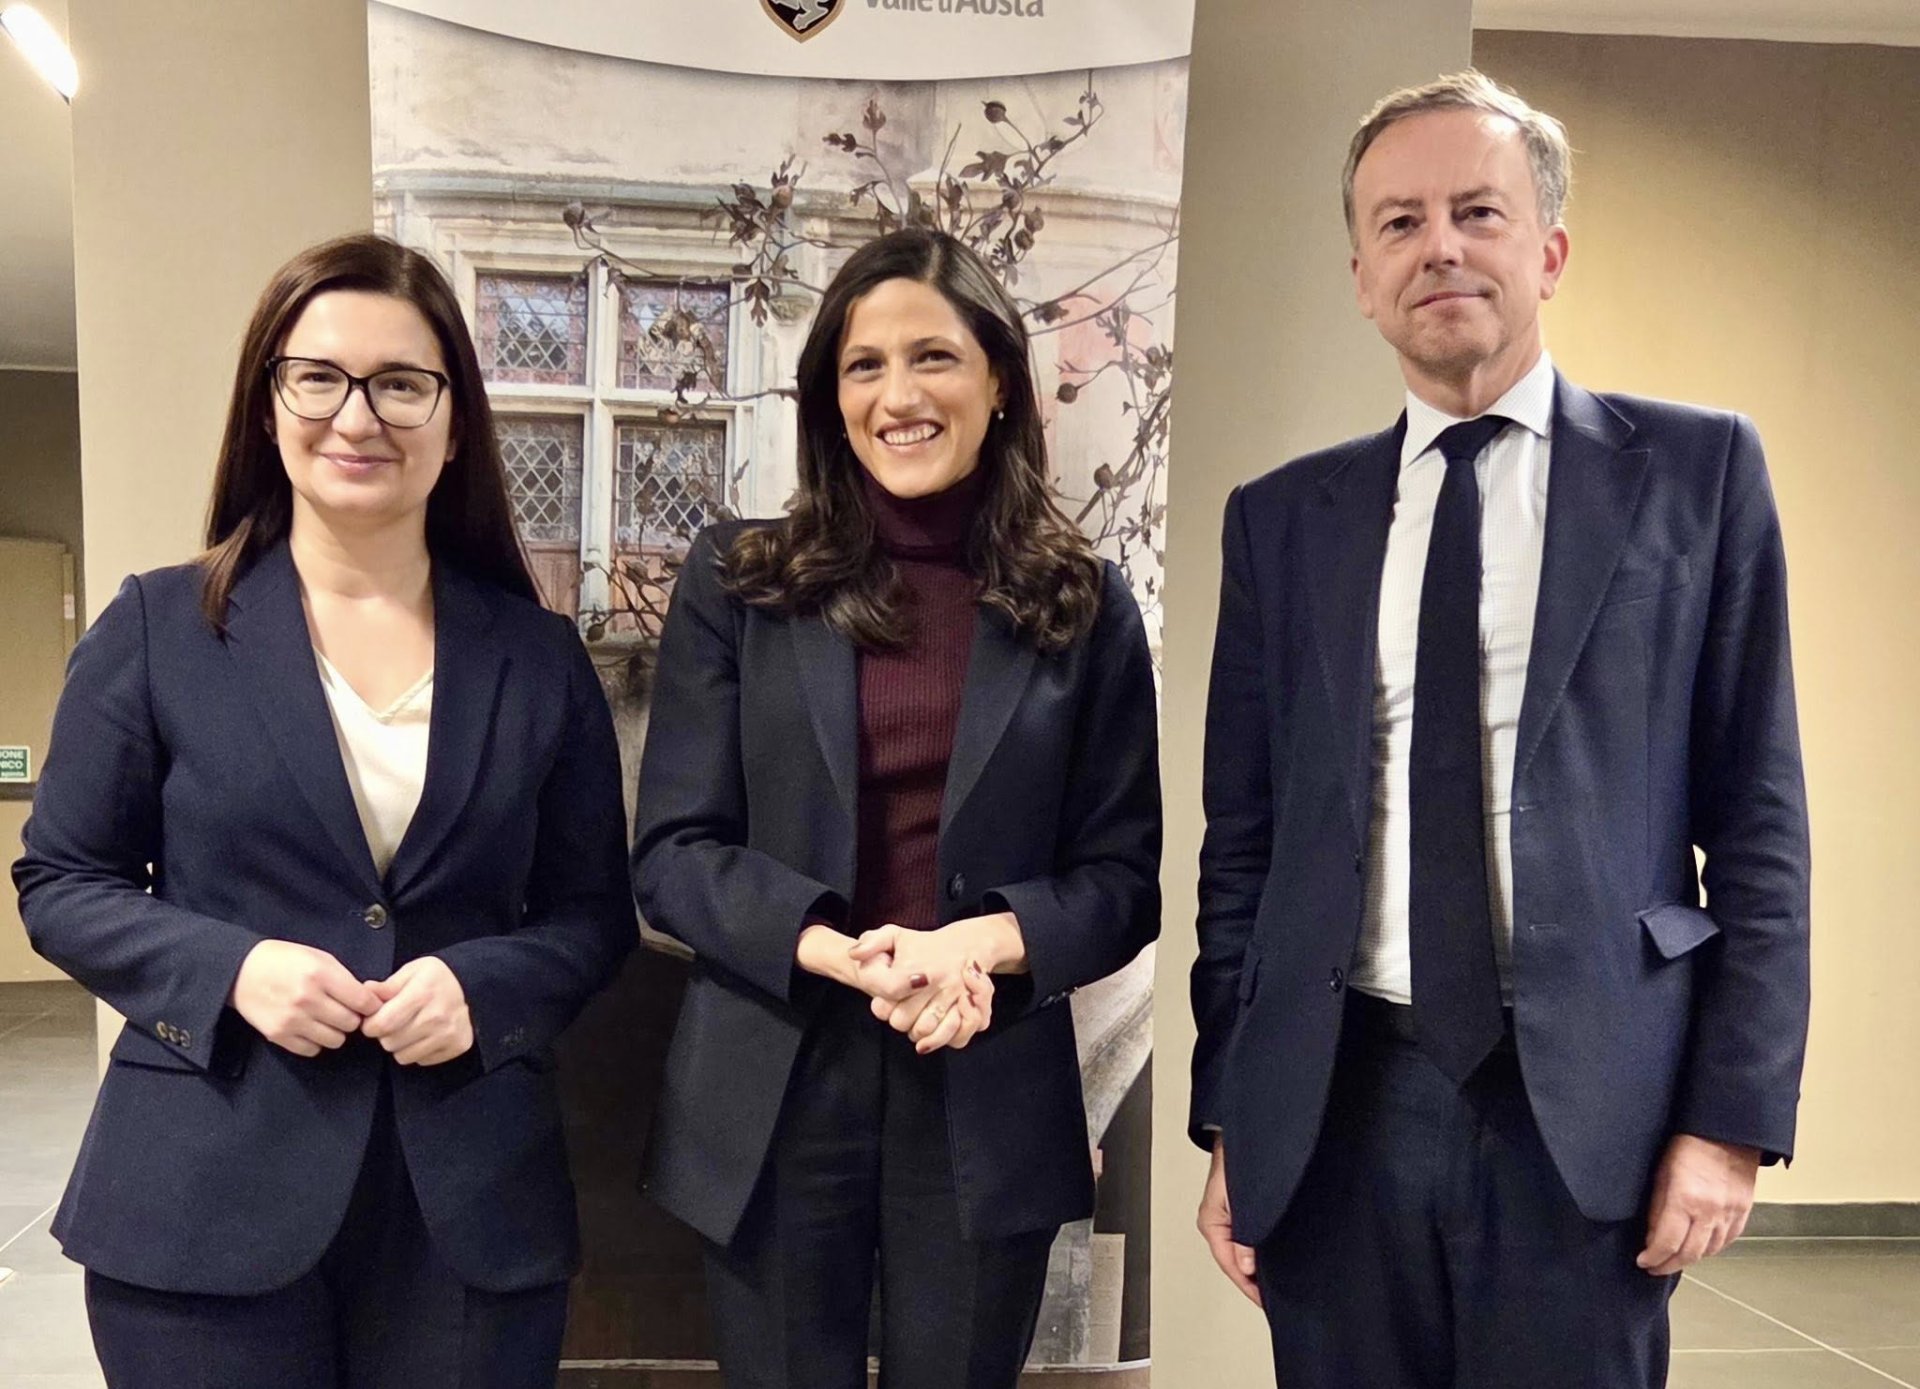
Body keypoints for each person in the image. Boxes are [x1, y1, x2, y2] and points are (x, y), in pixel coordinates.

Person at [1188, 72, 1810, 1388]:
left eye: (1478, 211)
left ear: (1550, 251)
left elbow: (1760, 829)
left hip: (1585, 1108)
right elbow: (1243, 849)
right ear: (1362, 279)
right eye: (1399, 222)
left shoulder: (1695, 476)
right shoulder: (1283, 521)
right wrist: (1233, 1115)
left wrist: (1730, 1119)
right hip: (1338, 1102)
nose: (1441, 247)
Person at [13, 234, 635, 1387]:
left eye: (401, 383)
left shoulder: (539, 659)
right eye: (319, 378)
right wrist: (236, 970)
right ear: (269, 405)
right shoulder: (158, 629)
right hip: (205, 1198)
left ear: (455, 420)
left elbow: (594, 912)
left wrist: (485, 986)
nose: (358, 416)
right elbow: (60, 882)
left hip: (467, 1207)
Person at [630, 227, 1161, 1389]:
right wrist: (837, 948)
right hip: (775, 1080)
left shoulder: (1085, 607)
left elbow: (1123, 884)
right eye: (864, 365)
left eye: (934, 357)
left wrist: (975, 945)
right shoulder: (739, 581)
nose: (898, 395)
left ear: (999, 381)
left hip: (984, 1081)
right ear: (831, 396)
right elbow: (673, 853)